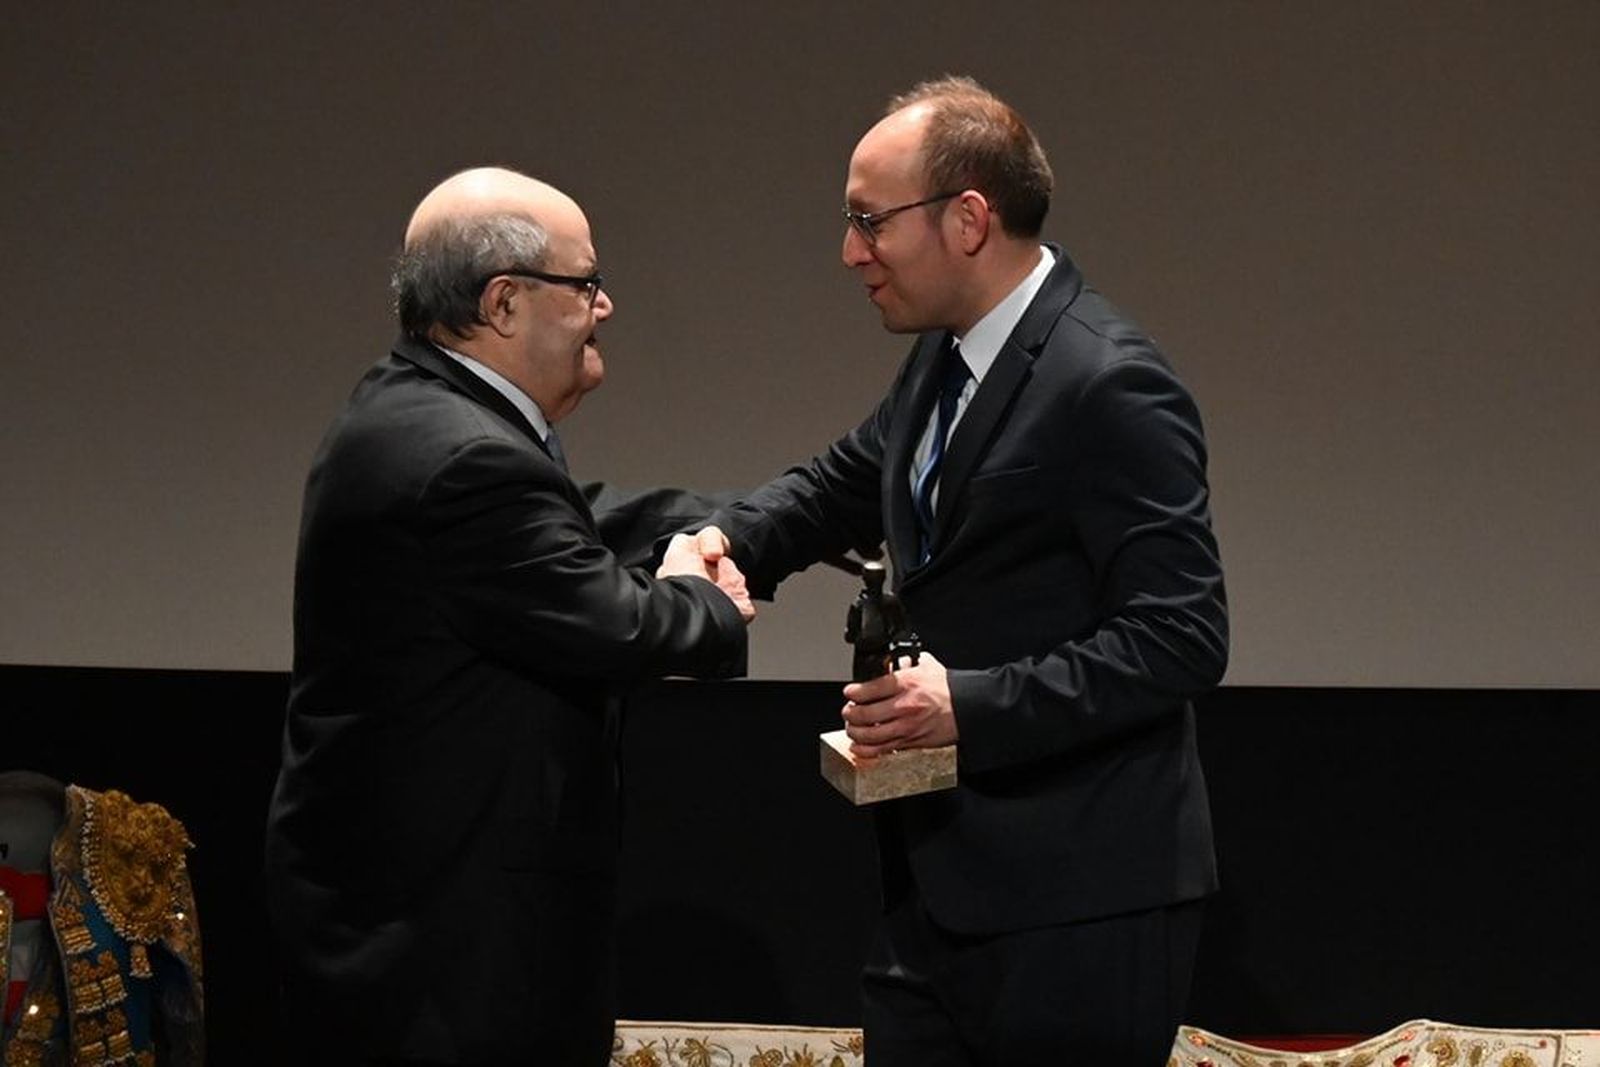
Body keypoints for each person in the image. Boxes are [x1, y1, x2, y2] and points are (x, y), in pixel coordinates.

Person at [698, 77, 1228, 1065]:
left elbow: (1181, 635)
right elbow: (836, 483)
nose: (850, 251)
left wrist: (968, 706)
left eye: (868, 221)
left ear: (969, 219)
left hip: (1081, 903)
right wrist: (720, 542)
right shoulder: (946, 360)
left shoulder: (1108, 380)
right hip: (941, 887)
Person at [264, 167, 753, 1065]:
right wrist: (705, 596)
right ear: (504, 302)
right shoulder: (463, 459)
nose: (604, 306)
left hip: (411, 932)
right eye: (587, 284)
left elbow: (570, 519)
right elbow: (627, 627)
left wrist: (745, 523)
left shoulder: (415, 409)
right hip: (448, 960)